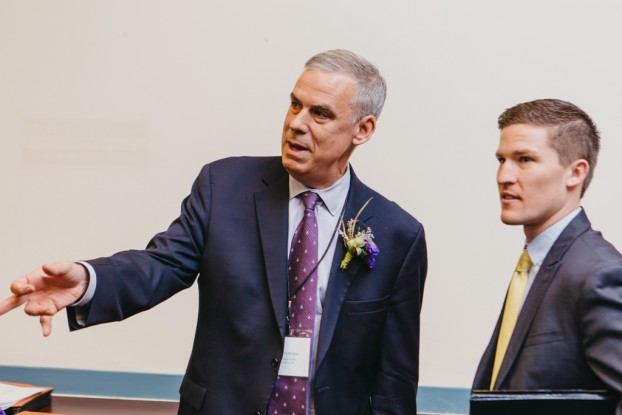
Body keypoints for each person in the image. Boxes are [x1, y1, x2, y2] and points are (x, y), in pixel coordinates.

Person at [0, 49, 427, 415]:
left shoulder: (397, 234)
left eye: (320, 113)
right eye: (294, 105)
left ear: (363, 129)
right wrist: (88, 280)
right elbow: (161, 264)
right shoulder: (225, 187)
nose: (297, 123)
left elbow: (395, 378)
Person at [472, 99, 622, 410]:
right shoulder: (537, 263)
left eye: (524, 159)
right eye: (501, 159)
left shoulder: (598, 274)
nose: (504, 176)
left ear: (575, 173)